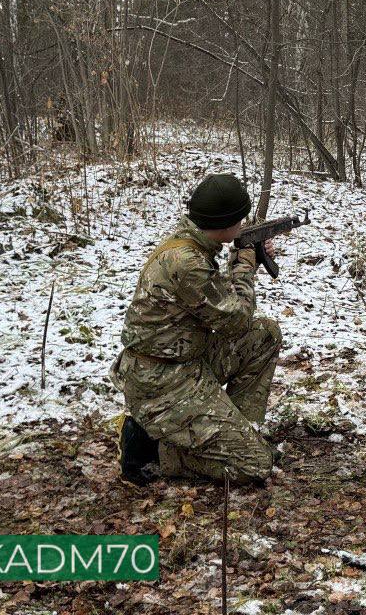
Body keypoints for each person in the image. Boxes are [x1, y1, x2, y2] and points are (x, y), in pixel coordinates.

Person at [112, 174, 283, 485]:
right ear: (226, 222)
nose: (243, 225)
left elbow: (215, 301)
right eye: (240, 220)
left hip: (184, 360)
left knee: (264, 335)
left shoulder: (190, 242)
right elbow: (236, 321)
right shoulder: (187, 262)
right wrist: (245, 264)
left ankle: (240, 434)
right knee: (255, 466)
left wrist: (242, 258)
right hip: (162, 382)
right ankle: (154, 450)